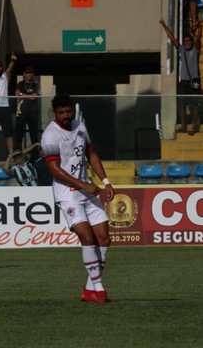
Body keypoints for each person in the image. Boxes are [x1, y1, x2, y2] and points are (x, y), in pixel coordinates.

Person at [41, 93, 115, 303]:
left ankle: (89, 289)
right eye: (61, 112)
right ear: (55, 113)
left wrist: (106, 182)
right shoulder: (50, 135)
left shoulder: (80, 127)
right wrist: (85, 185)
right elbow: (54, 170)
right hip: (67, 194)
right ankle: (99, 290)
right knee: (87, 237)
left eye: (68, 111)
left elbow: (91, 155)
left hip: (87, 190)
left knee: (104, 238)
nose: (65, 115)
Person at [160, 18, 203, 136]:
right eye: (185, 41)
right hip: (183, 81)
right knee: (181, 103)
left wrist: (201, 27)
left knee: (194, 105)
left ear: (192, 42)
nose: (187, 42)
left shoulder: (196, 50)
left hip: (194, 81)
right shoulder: (182, 50)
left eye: (189, 41)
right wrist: (164, 25)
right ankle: (184, 126)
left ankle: (194, 126)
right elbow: (172, 38)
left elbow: (199, 39)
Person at [14, 66, 40, 161]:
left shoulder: (36, 84)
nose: (29, 74)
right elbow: (17, 96)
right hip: (21, 113)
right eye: (27, 73)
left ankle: (35, 157)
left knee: (34, 136)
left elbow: (34, 97)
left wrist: (22, 95)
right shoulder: (20, 84)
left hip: (33, 113)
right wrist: (26, 95)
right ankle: (18, 157)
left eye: (31, 73)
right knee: (18, 136)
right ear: (24, 74)